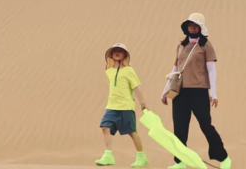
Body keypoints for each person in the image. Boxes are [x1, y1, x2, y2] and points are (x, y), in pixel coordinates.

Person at [162, 13, 231, 169]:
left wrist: (214, 93)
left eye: (195, 25)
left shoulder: (206, 45)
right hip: (180, 92)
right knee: (179, 127)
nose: (192, 28)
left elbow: (211, 70)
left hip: (199, 91)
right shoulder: (181, 45)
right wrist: (165, 90)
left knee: (206, 125)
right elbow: (175, 69)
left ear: (201, 27)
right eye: (190, 25)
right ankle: (179, 162)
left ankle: (224, 158)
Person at [95, 43, 149, 168]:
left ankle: (141, 157)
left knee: (132, 132)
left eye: (120, 51)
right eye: (115, 51)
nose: (117, 53)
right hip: (111, 106)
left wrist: (143, 103)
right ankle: (108, 155)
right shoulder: (108, 71)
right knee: (104, 127)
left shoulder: (129, 71)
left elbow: (136, 88)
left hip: (126, 106)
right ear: (111, 55)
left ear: (125, 55)